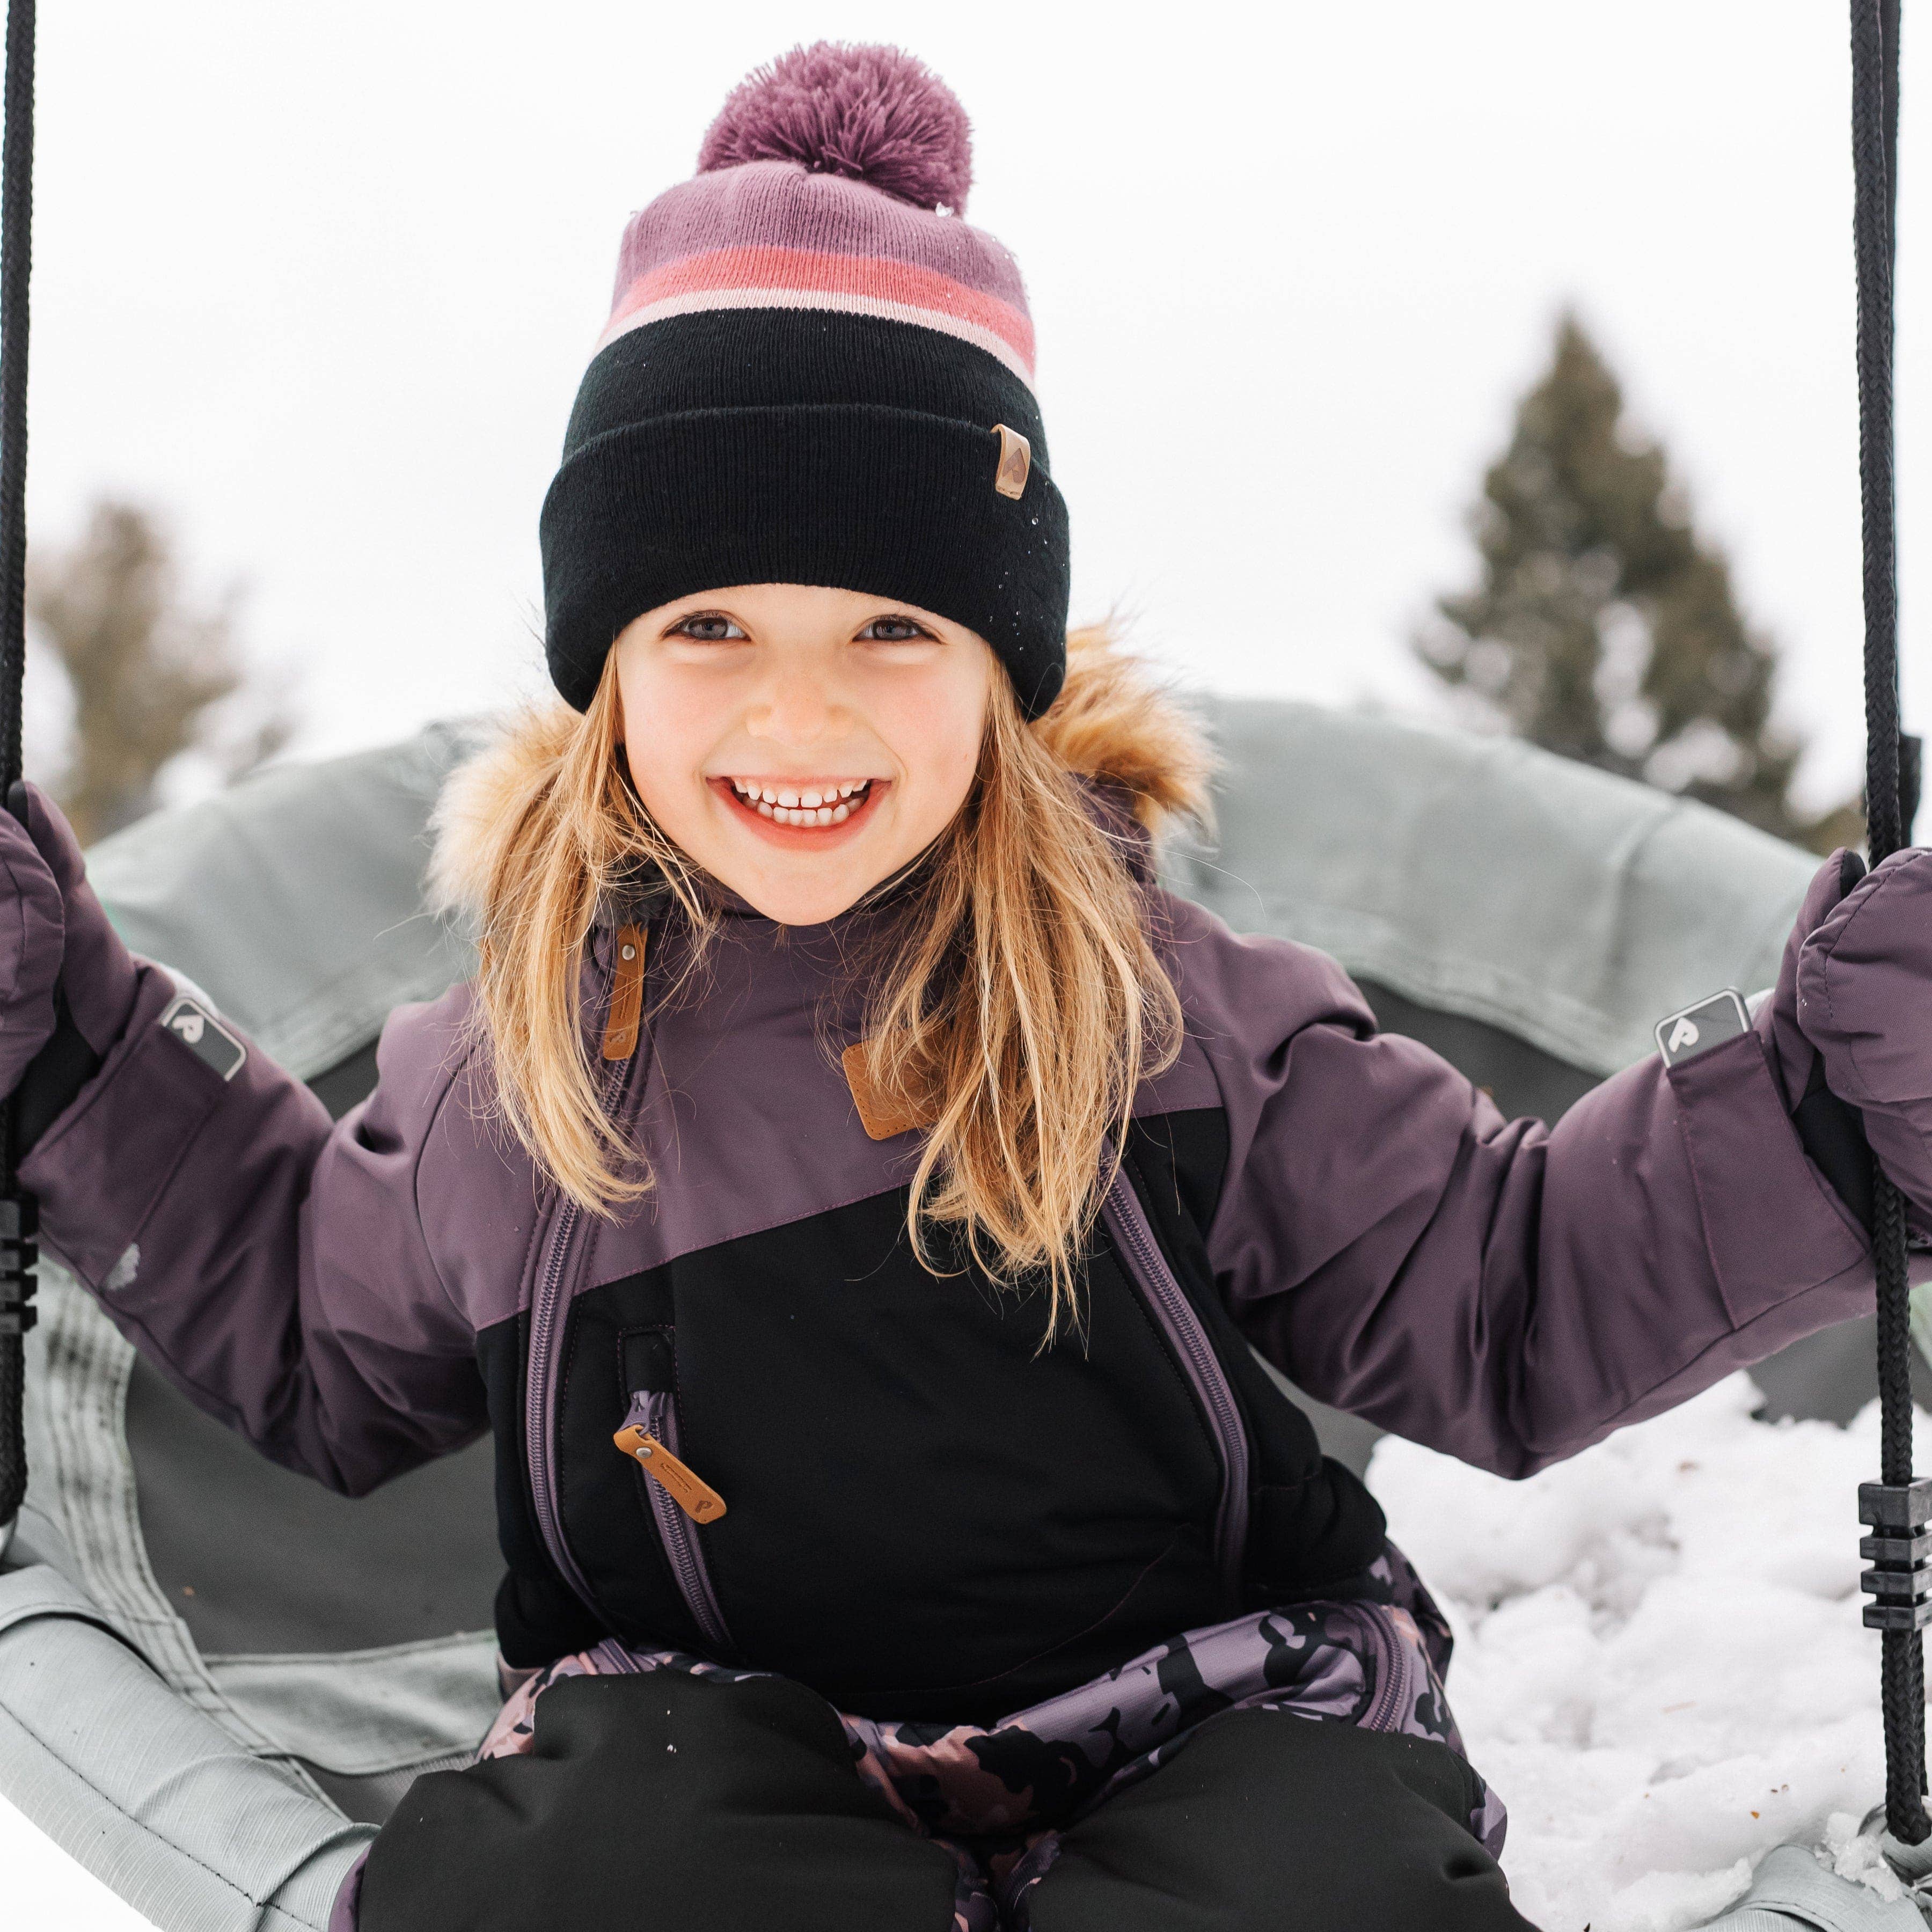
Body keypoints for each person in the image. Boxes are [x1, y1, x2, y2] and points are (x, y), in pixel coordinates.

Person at [0, 41, 1926, 1932]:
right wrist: (67, 1033)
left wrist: (1829, 1103)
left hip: (1207, 1705)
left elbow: (1502, 1289)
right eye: (711, 625)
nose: (799, 708)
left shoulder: (1157, 1011)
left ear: (1005, 673)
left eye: (895, 628)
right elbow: (310, 1331)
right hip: (716, 1749)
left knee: (1315, 1889)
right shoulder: (522, 1080)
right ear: (604, 669)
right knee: (575, 1880)